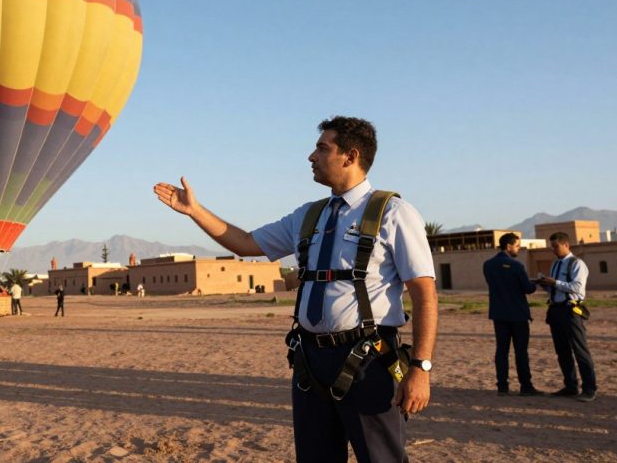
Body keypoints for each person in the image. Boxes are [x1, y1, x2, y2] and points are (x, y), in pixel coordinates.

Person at [154, 116, 437, 463]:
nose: (311, 157)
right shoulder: (308, 216)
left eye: (322, 148)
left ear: (350, 156)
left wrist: (420, 368)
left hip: (369, 360)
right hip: (310, 362)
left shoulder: (393, 213)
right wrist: (195, 211)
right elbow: (245, 243)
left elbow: (424, 293)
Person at [537, 232, 597, 402]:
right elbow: (556, 288)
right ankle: (570, 386)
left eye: (556, 246)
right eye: (552, 247)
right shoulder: (556, 264)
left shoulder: (577, 264)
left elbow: (577, 287)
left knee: (580, 350)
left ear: (566, 245)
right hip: (555, 310)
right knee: (562, 351)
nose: (553, 250)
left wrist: (555, 282)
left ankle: (589, 388)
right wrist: (545, 285)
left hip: (571, 311)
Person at [483, 233, 541, 396]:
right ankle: (526, 386)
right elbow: (527, 288)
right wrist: (535, 284)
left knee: (502, 350)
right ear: (508, 246)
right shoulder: (516, 266)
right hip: (518, 314)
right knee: (520, 351)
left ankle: (502, 386)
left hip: (499, 314)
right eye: (517, 246)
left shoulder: (488, 265)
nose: (519, 249)